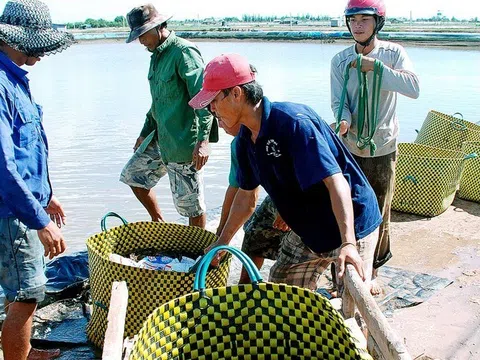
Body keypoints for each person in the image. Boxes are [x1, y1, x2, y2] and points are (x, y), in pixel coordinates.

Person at [189, 53, 382, 291]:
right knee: (282, 294)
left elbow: (336, 183)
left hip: (351, 222)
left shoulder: (293, 124)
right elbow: (246, 198)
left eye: (214, 101)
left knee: (353, 302)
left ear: (237, 93)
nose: (212, 110)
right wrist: (221, 243)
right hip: (308, 228)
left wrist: (349, 243)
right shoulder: (243, 141)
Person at [0, 0, 74, 359]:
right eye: (40, 43)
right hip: (11, 215)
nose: (44, 52)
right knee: (26, 294)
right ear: (18, 39)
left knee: (25, 290)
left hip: (24, 206)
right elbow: (3, 166)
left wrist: (47, 195)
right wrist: (40, 220)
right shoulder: (0, 85)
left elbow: (28, 151)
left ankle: (25, 351)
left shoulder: (14, 78)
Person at [330, 0, 420, 294]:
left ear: (377, 23)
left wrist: (378, 68)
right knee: (343, 208)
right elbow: (338, 102)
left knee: (379, 211)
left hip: (383, 146)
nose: (357, 25)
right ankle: (340, 273)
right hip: (350, 147)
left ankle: (374, 271)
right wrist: (342, 121)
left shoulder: (393, 54)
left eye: (364, 20)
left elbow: (414, 89)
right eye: (353, 20)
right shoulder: (340, 61)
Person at [120, 3, 216, 228]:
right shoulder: (155, 57)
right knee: (133, 175)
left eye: (144, 35)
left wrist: (203, 141)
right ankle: (160, 224)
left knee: (191, 204)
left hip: (184, 142)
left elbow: (204, 98)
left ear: (159, 27)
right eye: (138, 36)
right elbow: (157, 103)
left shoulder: (183, 52)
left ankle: (197, 254)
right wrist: (144, 133)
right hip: (160, 137)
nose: (142, 41)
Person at [215, 117, 288, 284]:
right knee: (254, 232)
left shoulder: (275, 132)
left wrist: (286, 210)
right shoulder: (239, 144)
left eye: (220, 118)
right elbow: (237, 190)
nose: (219, 125)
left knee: (283, 270)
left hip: (306, 197)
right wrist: (221, 234)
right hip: (279, 196)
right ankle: (246, 286)